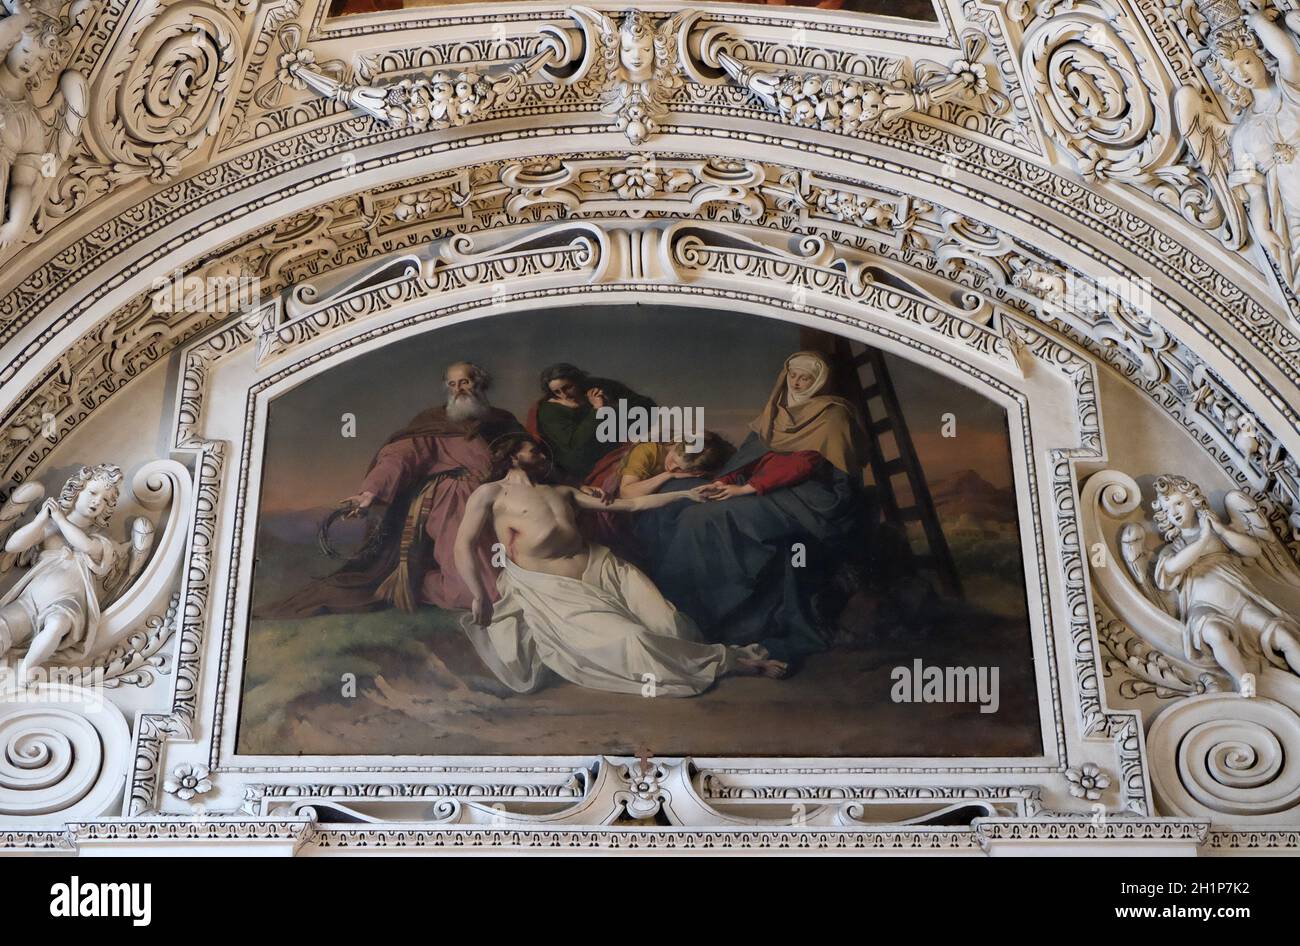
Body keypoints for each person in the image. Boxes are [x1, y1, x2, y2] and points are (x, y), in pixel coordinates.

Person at [453, 434, 787, 696]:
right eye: (533, 452)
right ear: (513, 456)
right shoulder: (490, 494)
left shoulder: (562, 491)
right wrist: (479, 594)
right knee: (634, 638)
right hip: (553, 589)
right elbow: (463, 544)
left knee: (670, 626)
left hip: (604, 569)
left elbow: (632, 505)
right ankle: (733, 664)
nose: (541, 457)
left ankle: (720, 657)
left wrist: (686, 495)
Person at [634, 351, 868, 662]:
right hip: (761, 486)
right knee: (680, 499)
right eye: (793, 376)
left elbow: (804, 463)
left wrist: (744, 488)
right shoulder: (777, 409)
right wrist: (724, 481)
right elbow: (748, 456)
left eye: (806, 378)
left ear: (818, 382)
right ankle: (675, 614)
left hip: (807, 498)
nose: (797, 382)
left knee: (705, 518)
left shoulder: (833, 415)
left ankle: (722, 617)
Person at [261, 361, 523, 616]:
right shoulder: (433, 420)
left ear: (479, 382)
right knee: (486, 590)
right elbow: (400, 457)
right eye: (452, 384)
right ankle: (420, 585)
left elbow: (528, 454)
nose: (459, 389)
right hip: (457, 502)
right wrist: (369, 492)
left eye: (465, 381)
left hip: (506, 497)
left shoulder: (502, 420)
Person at [0, 464, 126, 678]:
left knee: (57, 625)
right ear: (77, 490)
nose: (97, 501)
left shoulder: (102, 541)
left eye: (105, 499)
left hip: (66, 603)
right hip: (29, 601)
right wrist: (41, 520)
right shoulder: (50, 529)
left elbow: (85, 545)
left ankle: (27, 669)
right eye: (93, 492)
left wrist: (60, 518)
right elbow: (13, 545)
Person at [527, 363, 655, 483]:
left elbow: (646, 405)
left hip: (618, 442)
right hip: (584, 461)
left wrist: (611, 404)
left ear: (577, 380)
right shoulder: (550, 410)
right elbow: (575, 443)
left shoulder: (598, 386)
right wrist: (597, 409)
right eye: (557, 392)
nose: (564, 395)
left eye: (567, 387)